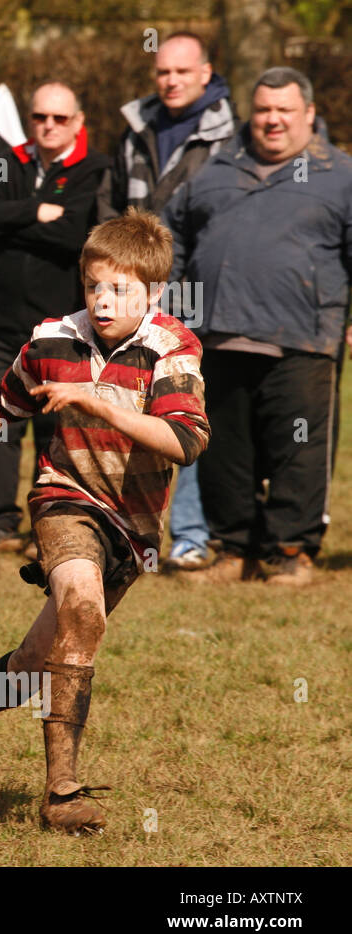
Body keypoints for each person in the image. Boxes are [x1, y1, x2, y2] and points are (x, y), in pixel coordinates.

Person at [0, 209, 209, 834]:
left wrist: (100, 404)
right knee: (82, 612)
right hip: (64, 500)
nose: (104, 301)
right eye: (94, 286)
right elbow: (2, 402)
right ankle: (62, 791)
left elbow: (184, 442)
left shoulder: (174, 349)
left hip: (133, 529)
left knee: (41, 656)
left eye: (121, 289)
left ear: (156, 292)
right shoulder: (53, 338)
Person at [163, 67, 352, 587]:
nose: (272, 120)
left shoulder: (340, 175)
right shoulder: (218, 167)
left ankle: (290, 551)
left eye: (284, 111)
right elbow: (173, 229)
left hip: (304, 338)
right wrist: (169, 298)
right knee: (226, 449)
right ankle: (235, 548)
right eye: (264, 109)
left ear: (309, 114)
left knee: (298, 448)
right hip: (217, 333)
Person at [98, 31, 237, 572]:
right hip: (132, 294)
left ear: (206, 73)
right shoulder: (136, 130)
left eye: (183, 71)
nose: (171, 81)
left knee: (184, 408)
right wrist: (109, 280)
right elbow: (110, 206)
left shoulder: (230, 137)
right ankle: (121, 526)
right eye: (163, 72)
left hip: (196, 292)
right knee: (126, 401)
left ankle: (193, 533)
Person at [0, 81, 108, 555]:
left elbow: (74, 234)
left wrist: (16, 222)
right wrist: (35, 211)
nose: (48, 126)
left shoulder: (96, 168)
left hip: (61, 327)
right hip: (1, 322)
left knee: (56, 427)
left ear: (78, 122)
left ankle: (45, 525)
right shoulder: (10, 161)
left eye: (59, 119)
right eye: (40, 117)